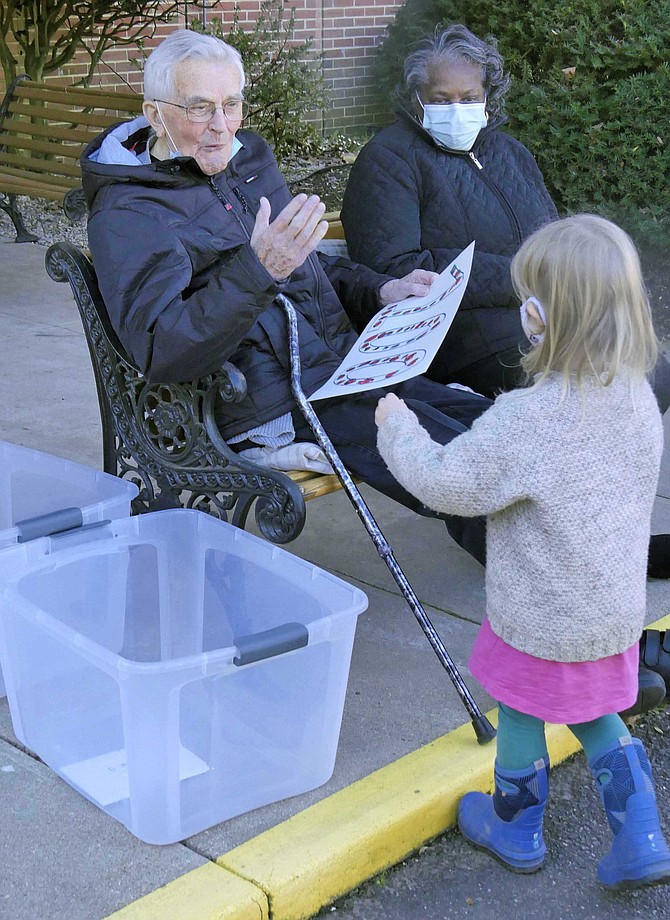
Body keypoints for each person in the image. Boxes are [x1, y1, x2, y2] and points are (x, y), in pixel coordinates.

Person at [79, 28, 492, 562]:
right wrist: (258, 269)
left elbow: (303, 265)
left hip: (340, 368)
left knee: (494, 429)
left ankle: (568, 565)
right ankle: (542, 603)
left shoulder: (246, 158)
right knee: (455, 461)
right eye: (200, 108)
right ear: (155, 114)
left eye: (231, 105)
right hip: (263, 404)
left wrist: (381, 288)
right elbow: (163, 350)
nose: (221, 128)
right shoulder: (128, 213)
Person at [374, 214, 670, 889]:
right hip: (610, 613)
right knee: (599, 717)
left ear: (538, 316)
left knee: (521, 710)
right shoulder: (635, 397)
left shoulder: (529, 419)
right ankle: (642, 836)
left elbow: (448, 485)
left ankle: (516, 826)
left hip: (539, 617)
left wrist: (400, 429)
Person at [341, 24, 558, 398]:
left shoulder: (510, 153)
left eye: (470, 97)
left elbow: (554, 238)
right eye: (442, 100)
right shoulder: (388, 159)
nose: (457, 110)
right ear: (416, 100)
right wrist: (520, 278)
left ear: (487, 97)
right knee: (574, 375)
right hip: (447, 332)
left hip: (534, 310)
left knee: (648, 366)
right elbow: (395, 268)